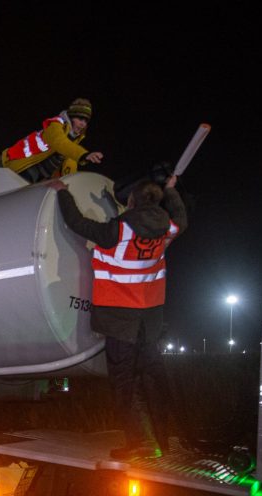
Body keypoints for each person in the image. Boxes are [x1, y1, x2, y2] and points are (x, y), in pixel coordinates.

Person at [54, 174, 188, 460]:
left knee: (123, 383)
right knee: (153, 378)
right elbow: (181, 218)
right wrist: (172, 192)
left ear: (131, 201)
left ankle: (138, 442)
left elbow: (77, 223)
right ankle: (164, 440)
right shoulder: (168, 228)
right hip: (149, 319)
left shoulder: (119, 229)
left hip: (119, 318)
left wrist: (63, 192)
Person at [0, 98, 103, 183]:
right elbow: (59, 142)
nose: (83, 124)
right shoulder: (55, 125)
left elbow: (68, 171)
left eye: (86, 121)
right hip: (15, 164)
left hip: (36, 177)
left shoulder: (72, 146)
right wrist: (83, 155)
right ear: (71, 117)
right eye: (80, 119)